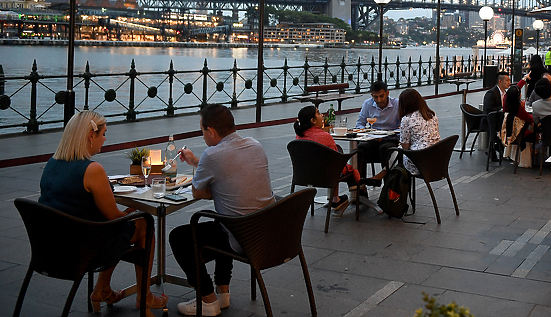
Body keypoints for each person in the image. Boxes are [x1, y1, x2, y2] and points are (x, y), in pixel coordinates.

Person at [39, 111, 166, 314]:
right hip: (84, 249)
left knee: (122, 225)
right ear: (91, 135)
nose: (105, 139)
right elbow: (113, 218)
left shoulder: (51, 164)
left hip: (50, 247)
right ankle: (144, 296)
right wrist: (130, 213)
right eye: (103, 134)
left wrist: (124, 213)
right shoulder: (92, 169)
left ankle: (103, 289)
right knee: (144, 223)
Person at [170, 104, 275, 316]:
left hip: (242, 238)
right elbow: (230, 174)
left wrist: (203, 168)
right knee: (223, 219)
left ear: (211, 131)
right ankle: (223, 292)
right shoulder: (255, 145)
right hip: (268, 233)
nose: (202, 137)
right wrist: (196, 162)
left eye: (202, 132)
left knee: (180, 237)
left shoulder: (213, 155)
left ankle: (208, 300)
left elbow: (198, 193)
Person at [294, 105, 360, 212]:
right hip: (327, 175)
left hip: (304, 175)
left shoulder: (299, 137)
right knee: (343, 160)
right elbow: (336, 161)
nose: (322, 116)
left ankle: (336, 198)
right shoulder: (325, 136)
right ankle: (349, 188)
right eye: (319, 113)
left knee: (335, 153)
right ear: (313, 121)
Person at [354, 80, 401, 178]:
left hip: (390, 139)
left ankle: (387, 184)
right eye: (375, 97)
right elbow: (360, 124)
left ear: (387, 93)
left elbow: (403, 128)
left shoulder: (397, 104)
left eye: (381, 96)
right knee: (361, 148)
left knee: (385, 149)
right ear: (372, 95)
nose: (379, 100)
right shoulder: (368, 104)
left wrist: (388, 135)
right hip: (372, 138)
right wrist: (368, 134)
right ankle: (360, 183)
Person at [397, 88, 440, 173]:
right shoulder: (432, 115)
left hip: (420, 162)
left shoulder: (407, 119)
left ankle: (393, 183)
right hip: (438, 161)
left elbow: (405, 147)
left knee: (395, 155)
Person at [501, 82, 537, 164]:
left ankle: (513, 157)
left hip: (507, 132)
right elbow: (529, 118)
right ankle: (534, 154)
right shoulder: (518, 108)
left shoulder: (506, 104)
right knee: (534, 131)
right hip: (518, 134)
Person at [483, 71, 511, 161]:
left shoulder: (506, 93)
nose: (509, 82)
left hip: (501, 120)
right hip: (491, 121)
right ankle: (498, 148)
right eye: (507, 80)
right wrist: (502, 108)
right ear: (500, 81)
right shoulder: (491, 93)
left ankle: (501, 148)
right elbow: (488, 109)